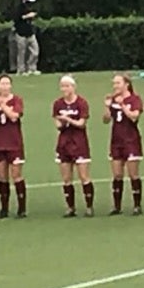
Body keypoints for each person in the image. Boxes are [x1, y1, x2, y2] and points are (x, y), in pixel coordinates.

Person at [53, 75, 93, 217]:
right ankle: (70, 207)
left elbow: (82, 123)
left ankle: (89, 206)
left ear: (73, 87)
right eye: (62, 86)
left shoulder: (81, 103)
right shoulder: (58, 104)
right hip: (64, 143)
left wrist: (68, 119)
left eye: (67, 86)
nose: (64, 89)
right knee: (66, 178)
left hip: (79, 143)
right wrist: (63, 122)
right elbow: (57, 124)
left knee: (83, 176)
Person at [0, 75, 28, 219]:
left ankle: (22, 208)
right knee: (2, 177)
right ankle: (4, 208)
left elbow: (14, 116)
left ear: (10, 86)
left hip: (14, 142)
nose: (4, 86)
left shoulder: (16, 100)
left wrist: (2, 105)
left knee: (16, 175)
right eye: (2, 84)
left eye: (7, 84)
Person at [106, 73, 144, 214]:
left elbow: (134, 117)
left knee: (133, 174)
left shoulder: (134, 99)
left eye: (118, 83)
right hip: (116, 140)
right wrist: (107, 107)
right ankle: (117, 206)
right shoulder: (113, 100)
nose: (115, 86)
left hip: (131, 140)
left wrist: (123, 105)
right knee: (117, 174)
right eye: (114, 83)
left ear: (126, 84)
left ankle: (137, 205)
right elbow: (106, 119)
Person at [11, 0, 40, 75]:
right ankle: (21, 70)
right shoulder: (19, 8)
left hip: (30, 33)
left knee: (35, 51)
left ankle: (32, 68)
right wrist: (27, 16)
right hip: (21, 34)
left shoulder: (30, 7)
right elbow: (17, 19)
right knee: (21, 53)